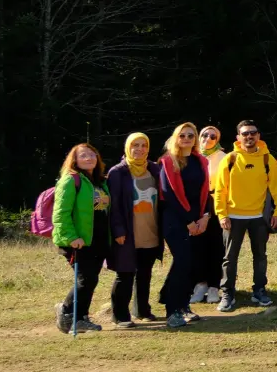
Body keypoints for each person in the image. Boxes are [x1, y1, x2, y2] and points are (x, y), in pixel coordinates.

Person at [214, 120, 277, 312]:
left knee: (260, 256)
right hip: (233, 216)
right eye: (245, 133)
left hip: (258, 217)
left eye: (253, 133)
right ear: (238, 137)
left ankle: (259, 290)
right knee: (230, 258)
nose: (249, 136)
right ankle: (228, 294)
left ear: (258, 136)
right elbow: (220, 190)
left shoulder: (267, 159)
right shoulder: (229, 159)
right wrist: (221, 214)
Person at [158, 122, 213, 328]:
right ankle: (172, 311)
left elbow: (206, 191)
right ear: (176, 138)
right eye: (183, 135)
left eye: (191, 135)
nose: (187, 138)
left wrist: (205, 217)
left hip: (198, 221)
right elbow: (169, 195)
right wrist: (189, 221)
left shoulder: (200, 161)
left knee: (190, 265)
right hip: (175, 221)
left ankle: (182, 306)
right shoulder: (167, 162)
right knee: (181, 264)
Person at [51, 143, 109, 334]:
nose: (89, 158)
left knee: (91, 279)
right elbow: (60, 213)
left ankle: (81, 317)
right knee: (86, 279)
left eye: (92, 154)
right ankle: (68, 312)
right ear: (74, 160)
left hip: (97, 240)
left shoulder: (99, 181)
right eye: (83, 155)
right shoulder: (71, 180)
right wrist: (71, 237)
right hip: (78, 241)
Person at [107, 133, 162, 327]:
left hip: (151, 230)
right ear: (127, 148)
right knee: (125, 273)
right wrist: (118, 230)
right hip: (128, 232)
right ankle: (120, 315)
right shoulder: (118, 172)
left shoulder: (155, 169)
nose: (139, 149)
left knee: (145, 273)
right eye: (135, 145)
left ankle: (142, 310)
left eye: (144, 145)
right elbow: (113, 206)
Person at [189, 126, 227, 305]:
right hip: (195, 204)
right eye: (205, 135)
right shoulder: (192, 155)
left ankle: (214, 286)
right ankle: (200, 284)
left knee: (216, 246)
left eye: (213, 136)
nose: (208, 138)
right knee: (197, 246)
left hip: (216, 203)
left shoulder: (224, 157)